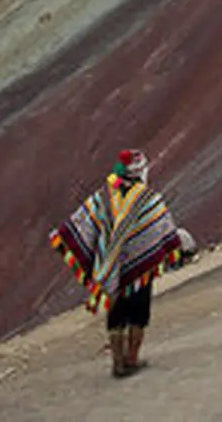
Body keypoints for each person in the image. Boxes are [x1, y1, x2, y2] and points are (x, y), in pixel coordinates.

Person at [50, 149, 181, 378]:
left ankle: (117, 364)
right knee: (139, 313)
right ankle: (132, 358)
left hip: (111, 267)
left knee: (116, 314)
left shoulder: (104, 196)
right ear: (140, 171)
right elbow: (162, 226)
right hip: (140, 269)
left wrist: (64, 236)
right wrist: (174, 247)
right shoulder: (148, 199)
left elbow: (85, 220)